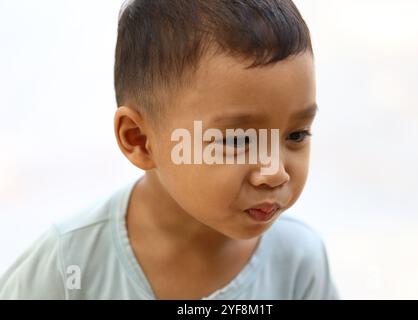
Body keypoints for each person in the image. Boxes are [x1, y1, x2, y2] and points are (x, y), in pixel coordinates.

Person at [0, 0, 339, 299]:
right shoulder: (68, 267)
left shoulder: (298, 264)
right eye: (238, 141)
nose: (275, 171)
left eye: (296, 135)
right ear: (139, 140)